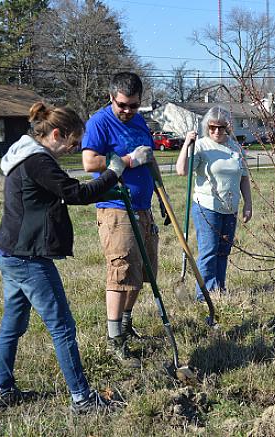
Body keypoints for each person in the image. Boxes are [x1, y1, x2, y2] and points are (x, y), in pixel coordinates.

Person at [0, 101, 126, 414]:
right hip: (28, 258)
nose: (74, 148)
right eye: (73, 142)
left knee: (12, 326)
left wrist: (105, 187)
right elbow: (75, 194)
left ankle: (3, 391)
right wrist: (115, 172)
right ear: (56, 134)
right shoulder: (39, 161)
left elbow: (55, 193)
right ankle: (82, 399)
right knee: (62, 327)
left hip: (10, 252)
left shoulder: (23, 153)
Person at [82, 72, 160, 369]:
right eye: (123, 105)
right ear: (111, 97)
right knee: (122, 270)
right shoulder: (99, 122)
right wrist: (127, 160)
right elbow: (89, 162)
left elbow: (149, 158)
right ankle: (114, 338)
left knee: (144, 272)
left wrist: (160, 194)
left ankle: (127, 327)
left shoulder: (139, 122)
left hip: (143, 207)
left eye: (134, 106)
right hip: (115, 207)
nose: (127, 111)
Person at [175, 106, 252, 301]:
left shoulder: (236, 148)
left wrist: (248, 204)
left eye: (221, 127)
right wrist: (186, 144)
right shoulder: (201, 145)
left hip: (230, 208)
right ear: (206, 127)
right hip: (206, 207)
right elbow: (182, 171)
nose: (217, 131)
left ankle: (219, 289)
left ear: (228, 127)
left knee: (223, 252)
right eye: (212, 127)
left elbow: (244, 178)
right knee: (209, 252)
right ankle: (205, 296)